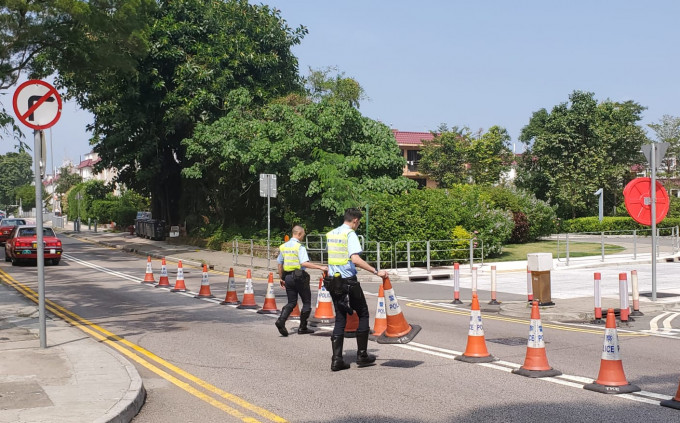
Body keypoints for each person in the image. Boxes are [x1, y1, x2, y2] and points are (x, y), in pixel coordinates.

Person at [325, 208, 387, 371]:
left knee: (340, 318)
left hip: (334, 281)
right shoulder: (350, 234)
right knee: (363, 312)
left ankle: (337, 359)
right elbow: (355, 259)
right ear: (355, 221)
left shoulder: (332, 234)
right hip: (348, 281)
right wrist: (376, 271)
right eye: (358, 222)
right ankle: (362, 355)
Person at [275, 225, 328, 337]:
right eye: (303, 234)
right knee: (307, 302)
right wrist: (320, 267)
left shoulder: (283, 246)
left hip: (288, 277)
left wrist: (282, 278)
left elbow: (280, 264)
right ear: (298, 234)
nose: (303, 236)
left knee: (292, 302)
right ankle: (302, 327)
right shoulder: (299, 247)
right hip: (299, 276)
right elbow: (304, 263)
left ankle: (281, 320)